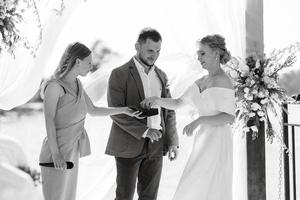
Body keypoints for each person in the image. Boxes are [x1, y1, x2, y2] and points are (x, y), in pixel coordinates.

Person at [39, 42, 140, 200]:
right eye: (88, 62)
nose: (91, 66)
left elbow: (93, 110)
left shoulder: (78, 84)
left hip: (72, 152)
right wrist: (56, 154)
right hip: (55, 153)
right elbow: (49, 121)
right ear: (77, 62)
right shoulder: (54, 87)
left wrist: (124, 110)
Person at [141, 34, 236, 200]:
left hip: (218, 140)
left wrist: (199, 120)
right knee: (194, 182)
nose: (198, 58)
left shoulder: (224, 81)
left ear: (216, 53)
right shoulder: (201, 80)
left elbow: (229, 117)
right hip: (204, 139)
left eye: (202, 53)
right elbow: (178, 102)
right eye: (198, 54)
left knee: (209, 184)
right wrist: (157, 100)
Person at [106, 28, 179, 200]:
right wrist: (145, 131)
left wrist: (173, 142)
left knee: (150, 197)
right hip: (128, 144)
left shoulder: (161, 75)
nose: (154, 55)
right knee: (124, 196)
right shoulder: (119, 74)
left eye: (158, 51)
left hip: (156, 144)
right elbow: (115, 111)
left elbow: (169, 111)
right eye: (150, 50)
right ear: (137, 46)